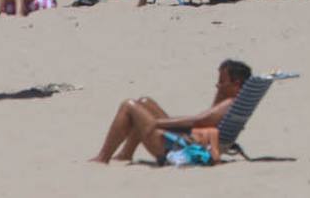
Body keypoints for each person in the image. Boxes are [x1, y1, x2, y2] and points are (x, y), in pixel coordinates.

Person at [90, 58, 251, 164]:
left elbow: (198, 120)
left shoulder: (230, 103)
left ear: (236, 83)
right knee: (145, 102)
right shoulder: (235, 103)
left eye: (222, 82)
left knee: (129, 105)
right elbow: (207, 121)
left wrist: (157, 123)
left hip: (181, 149)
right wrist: (222, 90)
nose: (218, 85)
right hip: (191, 141)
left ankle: (103, 157)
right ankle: (126, 153)